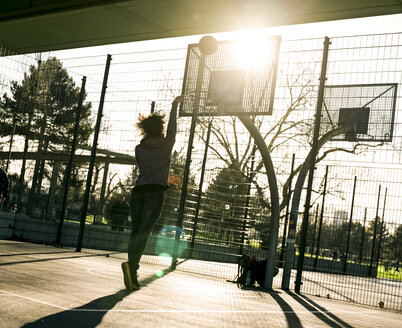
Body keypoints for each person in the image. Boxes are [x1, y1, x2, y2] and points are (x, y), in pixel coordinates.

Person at [122, 95, 183, 291]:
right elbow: (174, 127)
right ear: (161, 129)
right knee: (144, 234)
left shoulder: (139, 148)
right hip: (154, 194)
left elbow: (145, 171)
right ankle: (132, 268)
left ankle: (132, 271)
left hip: (138, 192)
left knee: (135, 232)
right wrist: (175, 105)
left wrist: (164, 177)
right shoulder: (167, 144)